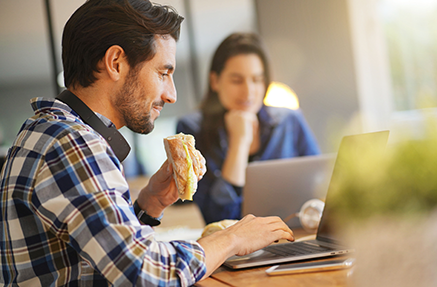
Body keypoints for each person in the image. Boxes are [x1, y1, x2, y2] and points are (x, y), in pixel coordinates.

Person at [0, 1, 294, 286]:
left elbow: (99, 254)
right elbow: (146, 273)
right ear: (116, 63)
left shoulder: (50, 131)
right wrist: (233, 238)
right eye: (163, 72)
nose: (171, 95)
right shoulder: (73, 144)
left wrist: (150, 203)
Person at [177, 33, 321, 224]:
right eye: (237, 80)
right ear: (215, 81)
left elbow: (322, 189)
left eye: (256, 80)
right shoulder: (192, 130)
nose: (248, 92)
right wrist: (240, 142)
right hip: (234, 249)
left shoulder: (290, 121)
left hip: (293, 234)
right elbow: (218, 219)